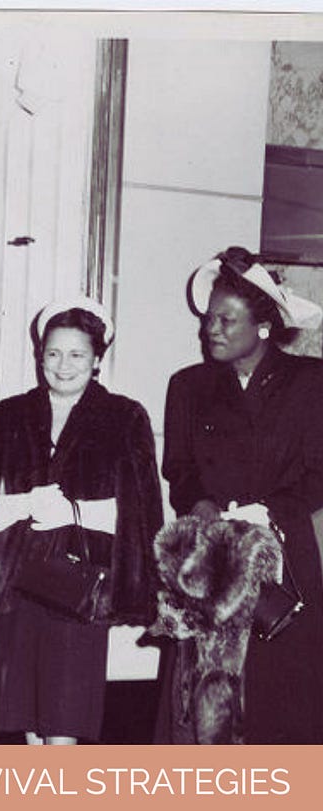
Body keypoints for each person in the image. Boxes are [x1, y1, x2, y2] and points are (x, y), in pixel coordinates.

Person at [0, 297, 163, 744]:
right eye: (53, 353)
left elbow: (141, 512)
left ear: (96, 361)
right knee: (29, 729)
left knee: (64, 729)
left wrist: (71, 512)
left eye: (77, 354)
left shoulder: (124, 417)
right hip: (16, 585)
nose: (63, 365)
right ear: (39, 356)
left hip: (79, 590)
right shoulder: (3, 418)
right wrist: (22, 503)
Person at [159, 246, 323, 743]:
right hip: (210, 556)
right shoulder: (187, 386)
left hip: (283, 555)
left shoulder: (311, 383)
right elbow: (180, 471)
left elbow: (320, 472)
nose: (213, 330)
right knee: (206, 697)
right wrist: (203, 507)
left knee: (282, 693)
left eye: (228, 321)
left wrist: (268, 512)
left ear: (264, 327)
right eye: (210, 320)